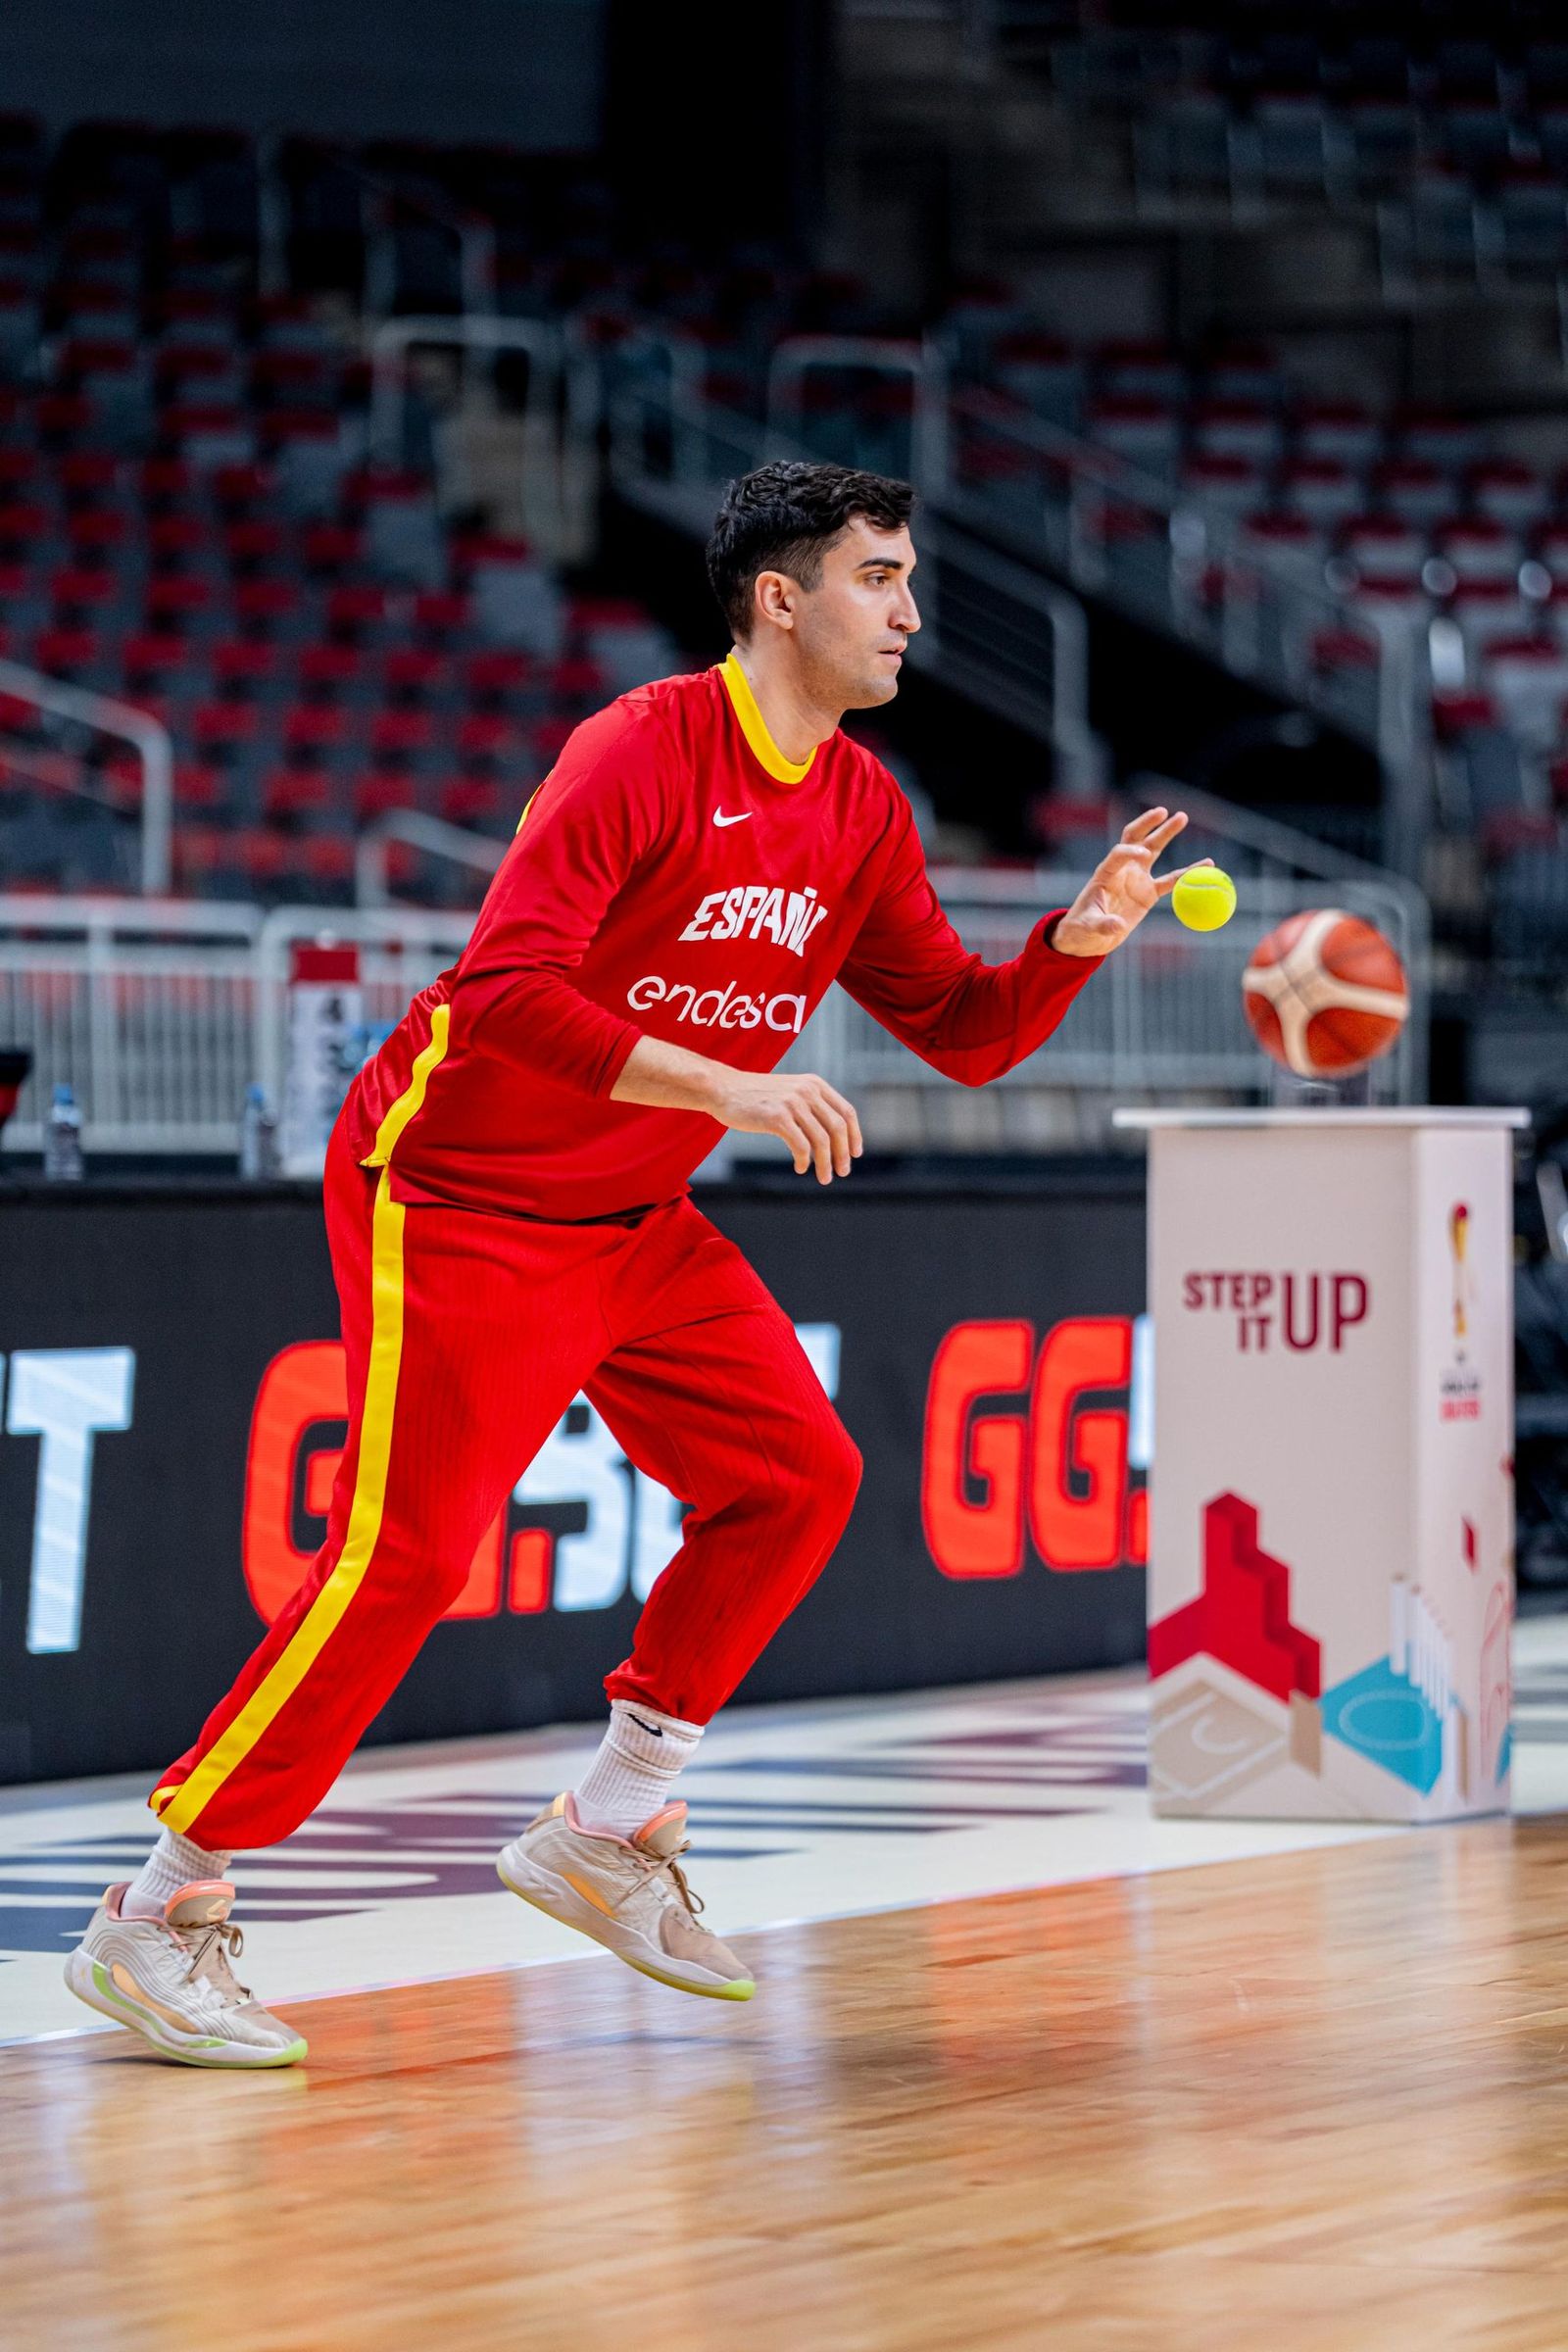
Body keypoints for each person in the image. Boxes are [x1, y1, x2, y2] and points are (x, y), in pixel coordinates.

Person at [66, 461, 1204, 2066]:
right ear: (780, 599)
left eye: (911, 578)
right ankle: (157, 1912)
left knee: (799, 1475)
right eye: (881, 578)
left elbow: (959, 1033)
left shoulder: (865, 806)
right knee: (404, 1559)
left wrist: (1071, 946)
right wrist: (727, 1083)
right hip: (456, 1190)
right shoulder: (641, 749)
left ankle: (612, 1821)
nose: (912, 614)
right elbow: (505, 991)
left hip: (630, 1218)